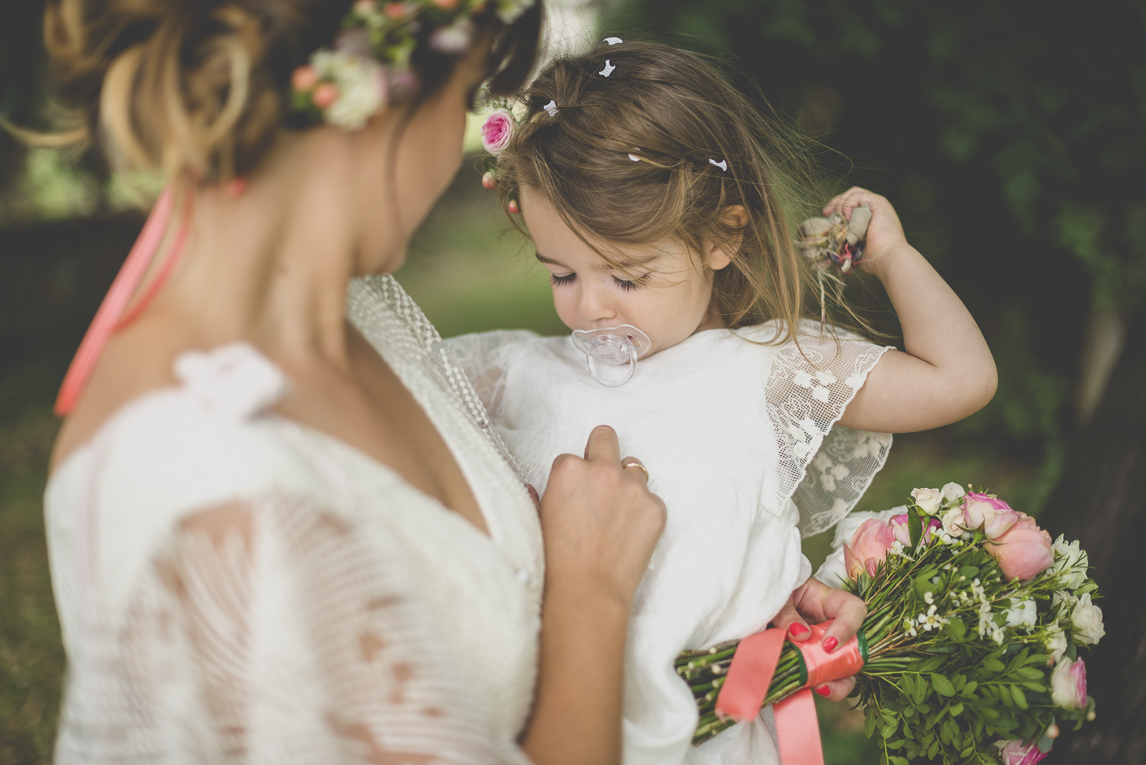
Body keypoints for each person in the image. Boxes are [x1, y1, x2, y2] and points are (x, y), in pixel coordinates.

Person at [40, 2, 675, 763]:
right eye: (466, 97)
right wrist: (592, 597)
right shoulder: (212, 482)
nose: (453, 152)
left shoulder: (362, 312)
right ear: (380, 93)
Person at [442, 40, 999, 764]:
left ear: (720, 236)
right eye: (561, 274)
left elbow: (960, 379)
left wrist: (892, 257)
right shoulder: (519, 371)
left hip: (714, 739)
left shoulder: (767, 370)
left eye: (628, 276)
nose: (590, 308)